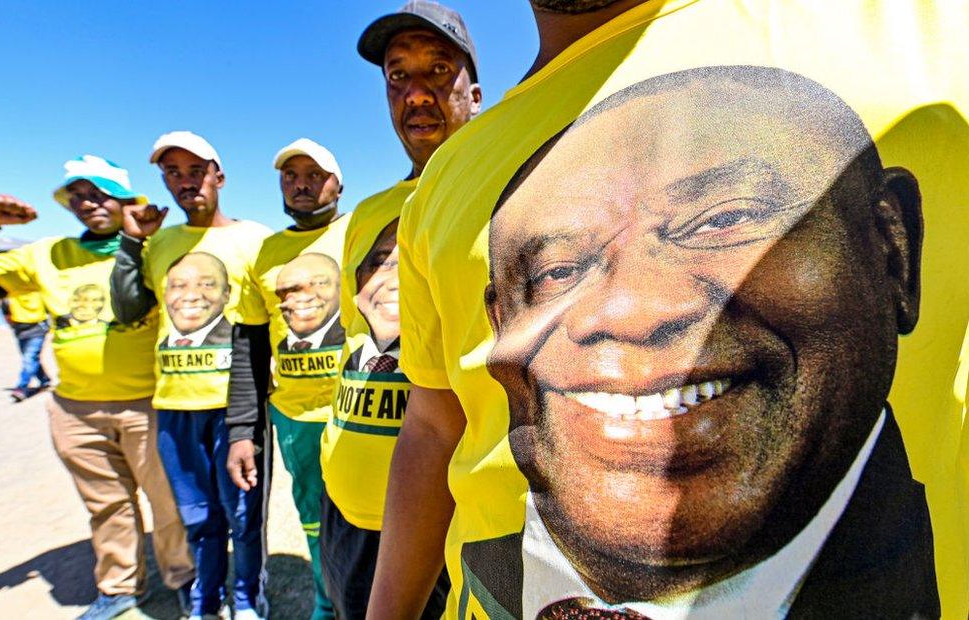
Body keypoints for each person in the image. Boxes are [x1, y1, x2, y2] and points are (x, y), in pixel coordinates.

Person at [370, 1, 969, 618]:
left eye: (723, 220)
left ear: (893, 246)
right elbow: (435, 423)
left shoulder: (931, 41)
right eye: (557, 272)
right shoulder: (450, 177)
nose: (629, 309)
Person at [318, 2, 481, 618]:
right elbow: (354, 346)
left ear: (475, 90)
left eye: (439, 70)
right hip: (348, 501)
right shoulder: (366, 213)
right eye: (397, 75)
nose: (415, 93)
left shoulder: (501, 194)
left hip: (445, 514)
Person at [0, 158, 194, 620]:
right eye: (78, 195)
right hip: (76, 409)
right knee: (106, 505)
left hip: (151, 402)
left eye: (100, 192)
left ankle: (185, 580)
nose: (89, 203)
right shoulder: (47, 253)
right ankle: (120, 587)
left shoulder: (155, 247)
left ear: (125, 199)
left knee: (168, 503)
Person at [110, 131, 271, 620]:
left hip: (232, 406)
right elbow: (128, 309)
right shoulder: (158, 243)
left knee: (242, 517)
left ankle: (246, 600)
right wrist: (132, 242)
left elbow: (261, 332)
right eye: (172, 173)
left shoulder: (254, 239)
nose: (186, 182)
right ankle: (205, 602)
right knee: (198, 517)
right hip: (174, 405)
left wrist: (251, 415)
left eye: (195, 171)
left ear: (218, 177)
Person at [224, 138, 351, 620]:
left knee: (374, 515)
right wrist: (242, 430)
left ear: (339, 184)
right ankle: (327, 601)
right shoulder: (266, 253)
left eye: (314, 175)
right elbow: (249, 346)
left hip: (357, 409)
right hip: (295, 416)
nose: (302, 184)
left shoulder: (360, 232)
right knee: (314, 521)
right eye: (291, 176)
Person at [2, 290, 52, 401]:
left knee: (29, 358)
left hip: (38, 330)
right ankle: (45, 380)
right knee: (31, 358)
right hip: (21, 332)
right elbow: (7, 315)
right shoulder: (9, 298)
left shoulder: (38, 294)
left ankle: (21, 388)